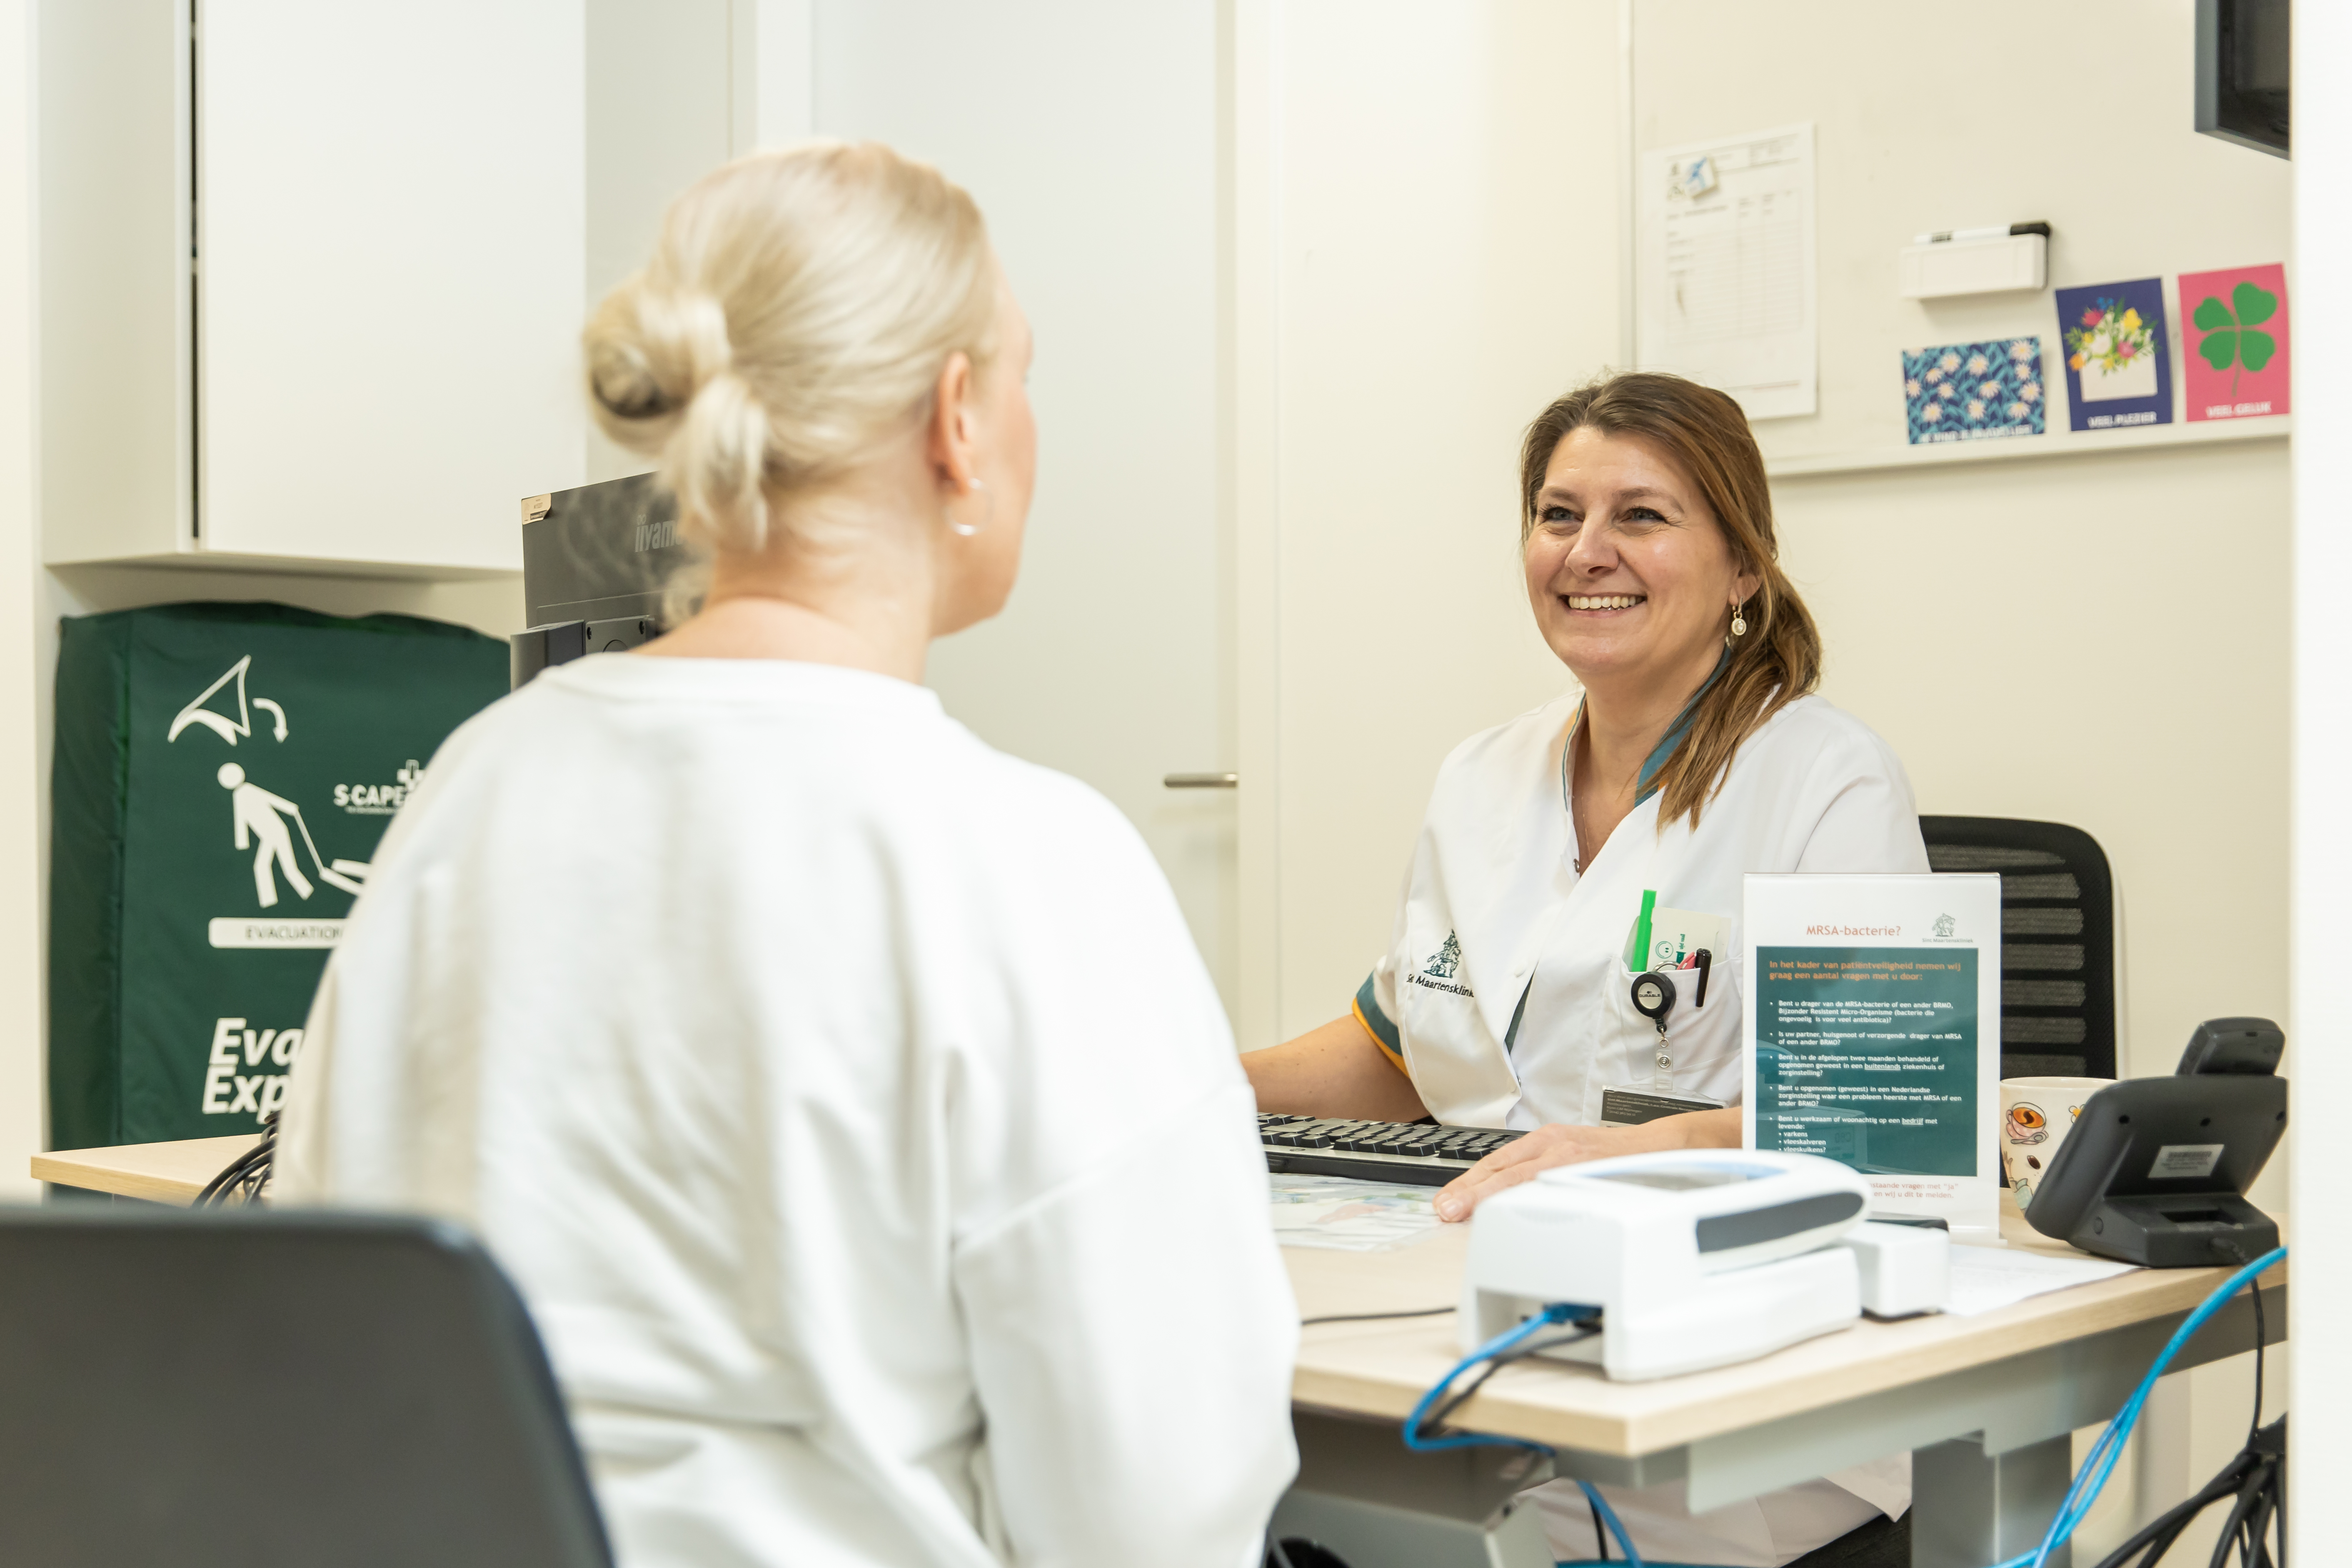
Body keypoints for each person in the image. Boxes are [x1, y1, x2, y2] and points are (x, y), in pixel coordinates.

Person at [277, 142, 1298, 1568]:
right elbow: (1159, 1508)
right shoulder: (1026, 859)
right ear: (957, 419)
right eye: (1022, 374)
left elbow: (328, 1302)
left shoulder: (472, 788)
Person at [1242, 371, 1927, 1568]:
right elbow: (1408, 1042)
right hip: (1471, 1290)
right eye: (1559, 514)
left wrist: (1628, 1156)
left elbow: (1868, 1112)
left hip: (1745, 1366)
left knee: (1434, 1507)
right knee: (1261, 1452)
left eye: (1642, 516)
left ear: (1744, 567)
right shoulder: (1483, 774)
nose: (1586, 551)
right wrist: (1199, 1082)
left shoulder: (1826, 779)